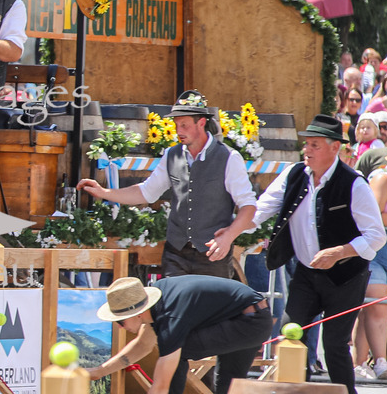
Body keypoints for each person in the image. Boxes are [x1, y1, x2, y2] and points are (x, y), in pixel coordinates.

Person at [253, 113, 387, 394]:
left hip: (346, 276)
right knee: (291, 334)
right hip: (306, 273)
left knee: (335, 345)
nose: (307, 151)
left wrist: (340, 252)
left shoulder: (354, 183)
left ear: (334, 148)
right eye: (306, 144)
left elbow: (375, 235)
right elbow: (261, 209)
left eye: (314, 145)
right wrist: (232, 230)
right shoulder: (294, 174)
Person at [77, 91, 257, 278]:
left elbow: (248, 206)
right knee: (172, 306)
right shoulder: (172, 155)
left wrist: (228, 237)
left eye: (184, 125)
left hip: (213, 254)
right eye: (176, 125)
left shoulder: (228, 157)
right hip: (176, 253)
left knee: (210, 307)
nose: (179, 131)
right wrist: (104, 192)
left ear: (201, 123)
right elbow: (146, 192)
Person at [89, 276, 273, 394]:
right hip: (246, 315)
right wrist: (99, 371)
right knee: (228, 386)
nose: (120, 326)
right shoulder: (157, 300)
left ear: (137, 313)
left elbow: (161, 387)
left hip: (250, 322)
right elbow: (143, 345)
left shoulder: (171, 317)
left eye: (120, 321)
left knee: (175, 351)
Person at [357, 165, 387, 380]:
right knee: (376, 304)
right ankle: (379, 361)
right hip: (376, 250)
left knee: (374, 308)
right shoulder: (383, 178)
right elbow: (373, 218)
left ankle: (360, 362)